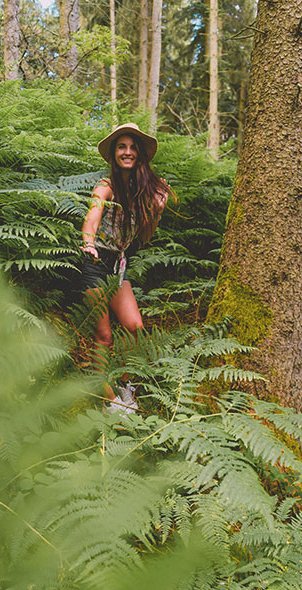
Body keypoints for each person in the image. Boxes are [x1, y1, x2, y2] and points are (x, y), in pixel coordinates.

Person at [80, 123, 173, 413]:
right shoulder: (105, 186)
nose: (128, 152)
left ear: (140, 155)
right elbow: (92, 216)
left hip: (119, 267)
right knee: (104, 336)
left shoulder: (144, 191)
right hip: (94, 263)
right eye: (122, 147)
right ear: (114, 154)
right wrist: (88, 241)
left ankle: (126, 386)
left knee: (135, 327)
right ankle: (108, 401)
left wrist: (157, 208)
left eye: (133, 147)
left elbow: (144, 236)